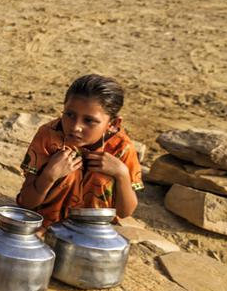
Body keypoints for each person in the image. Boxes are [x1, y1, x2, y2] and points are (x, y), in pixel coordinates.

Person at [16, 74, 142, 227]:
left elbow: (124, 213)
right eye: (69, 114)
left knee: (106, 173)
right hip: (46, 225)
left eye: (89, 120)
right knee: (64, 167)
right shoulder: (49, 136)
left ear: (113, 123)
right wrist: (49, 176)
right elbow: (26, 203)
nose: (75, 127)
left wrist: (121, 174)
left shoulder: (121, 148)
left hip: (93, 231)